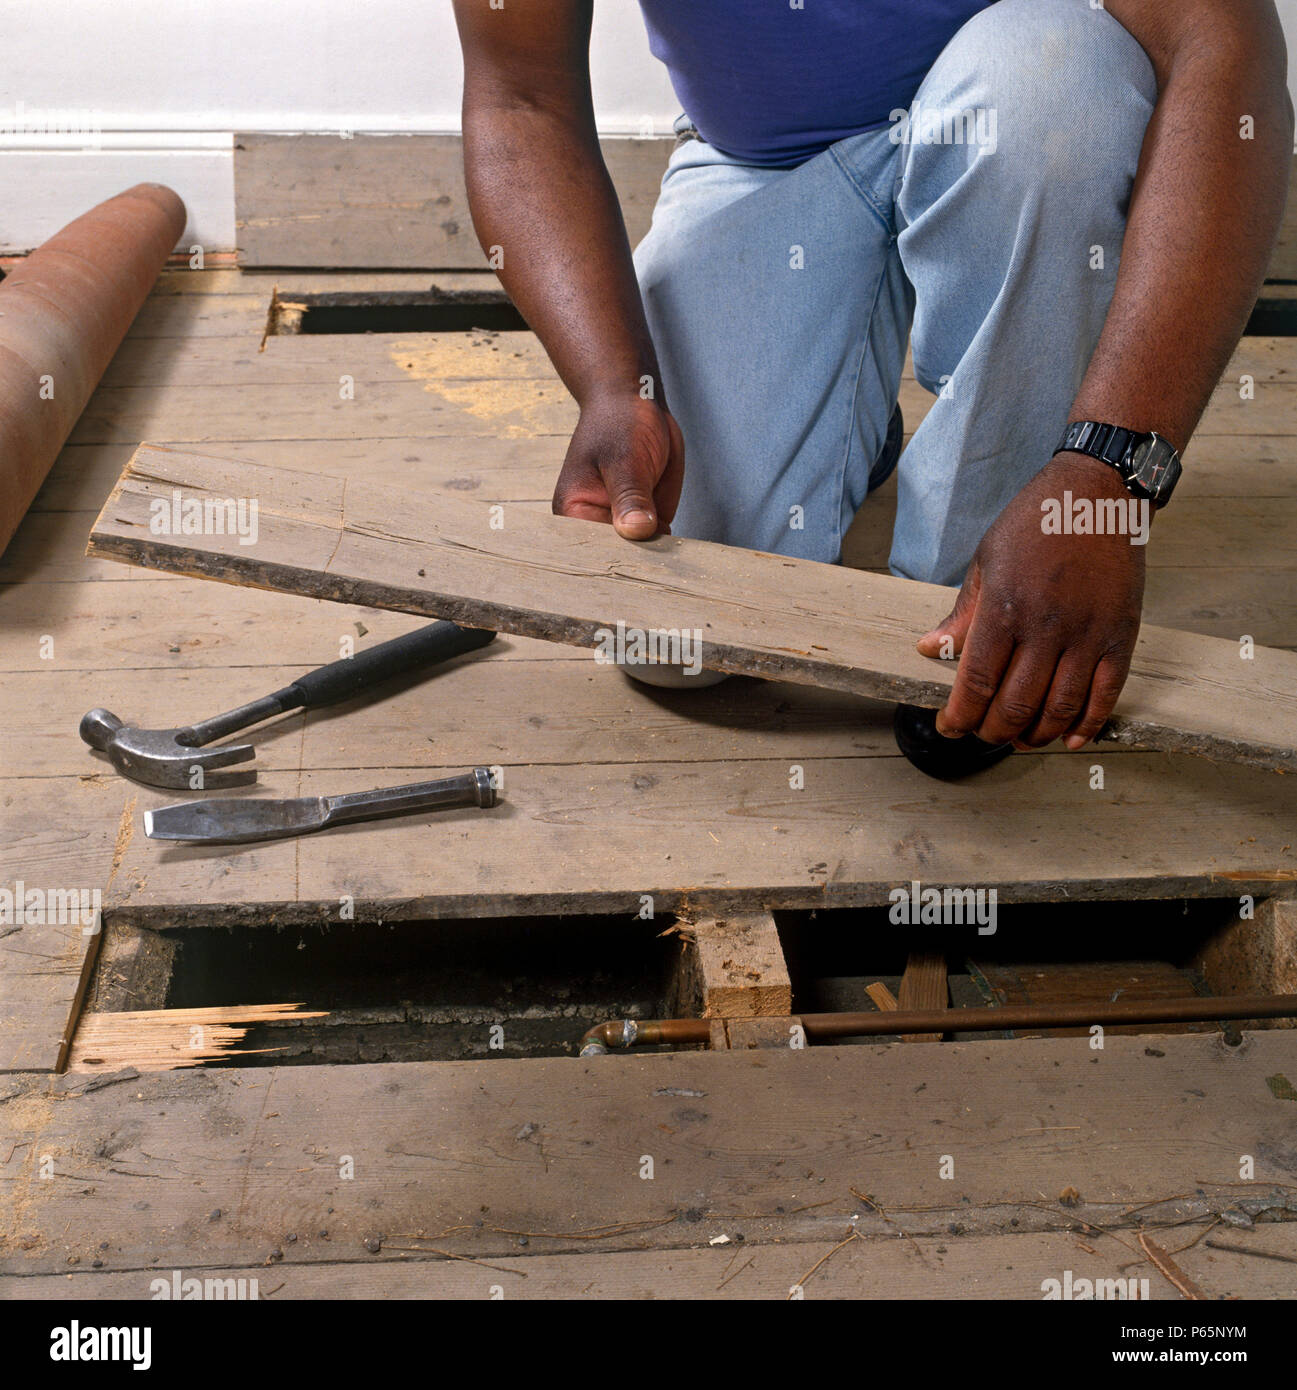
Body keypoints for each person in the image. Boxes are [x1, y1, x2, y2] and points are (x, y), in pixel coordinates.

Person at [452, 0, 1292, 777]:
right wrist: (610, 385)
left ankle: (975, 569)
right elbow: (519, 99)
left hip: (1016, 124)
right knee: (672, 639)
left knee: (1051, 93)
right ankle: (855, 427)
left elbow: (1223, 41)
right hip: (766, 163)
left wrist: (1111, 473)